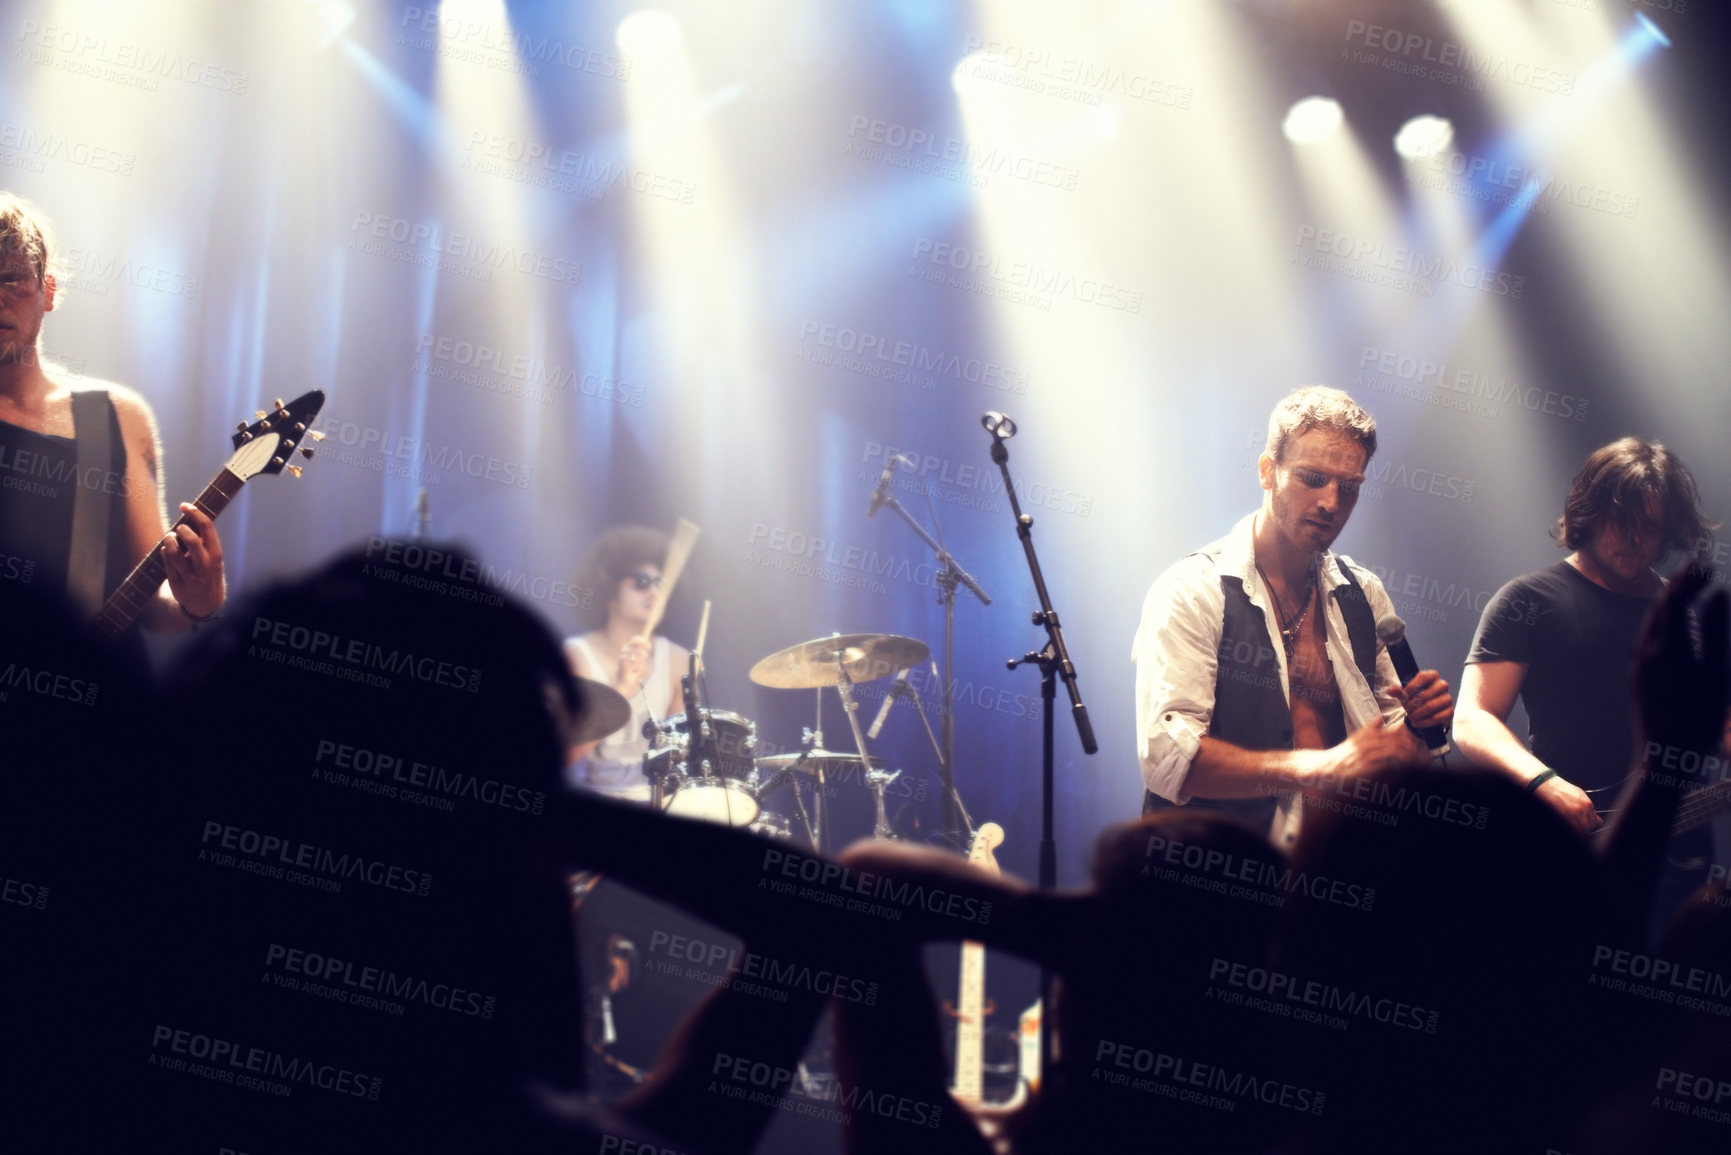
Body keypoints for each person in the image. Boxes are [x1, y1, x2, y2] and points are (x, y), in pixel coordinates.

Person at [1131, 386, 1454, 843]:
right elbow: (1167, 759)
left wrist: (1420, 729)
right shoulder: (1191, 592)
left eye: (1349, 487)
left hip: (1332, 869)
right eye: (1311, 478)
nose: (1330, 502)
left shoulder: (1362, 593)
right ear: (1268, 471)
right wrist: (1316, 767)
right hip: (1213, 879)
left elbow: (1389, 755)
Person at [1453, 438, 1725, 923]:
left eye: (1650, 527)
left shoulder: (1682, 615)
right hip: (1572, 846)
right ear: (1590, 511)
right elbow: (1472, 719)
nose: (1635, 539)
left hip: (1680, 860)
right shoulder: (1529, 599)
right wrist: (1543, 782)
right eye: (1622, 521)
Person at [0, 192, 223, 634]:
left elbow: (157, 612)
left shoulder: (115, 418)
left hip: (91, 694)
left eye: (11, 279)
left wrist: (201, 601)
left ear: (48, 292)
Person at [562, 525, 692, 800]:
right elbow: (561, 752)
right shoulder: (577, 656)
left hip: (658, 805)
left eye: (660, 583)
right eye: (642, 582)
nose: (653, 592)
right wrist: (619, 691)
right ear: (609, 590)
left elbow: (678, 758)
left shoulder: (679, 661)